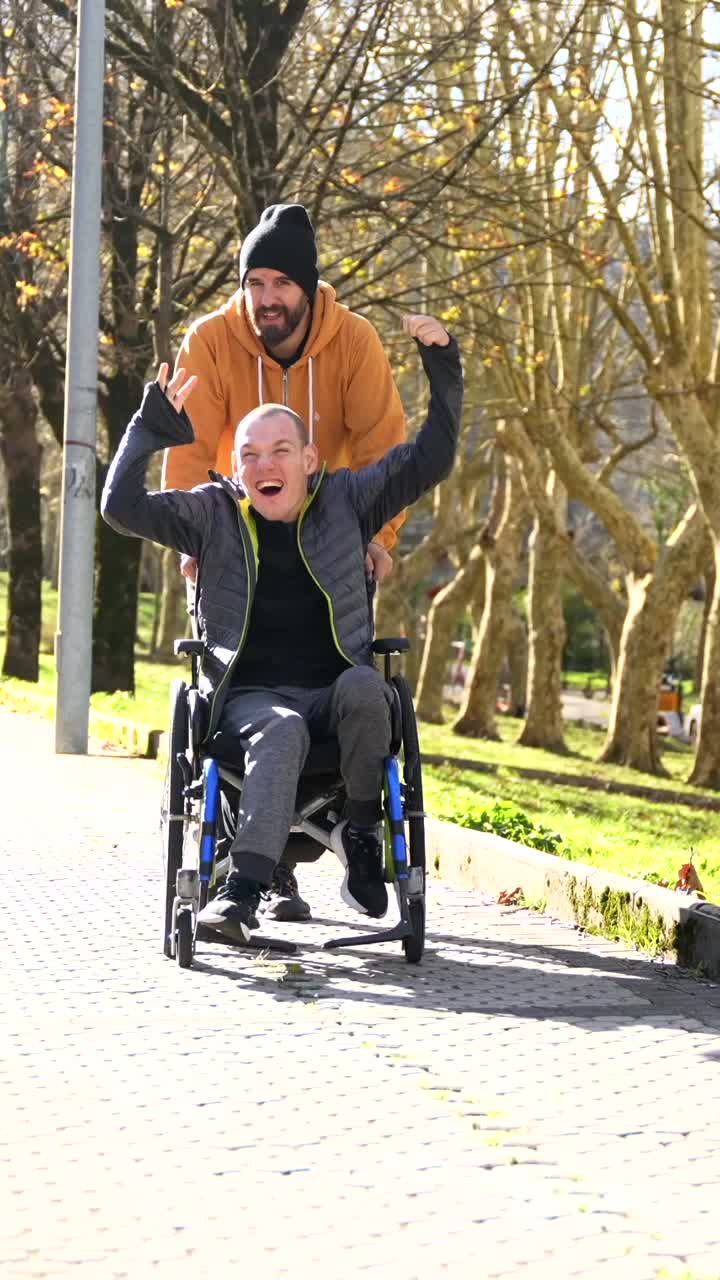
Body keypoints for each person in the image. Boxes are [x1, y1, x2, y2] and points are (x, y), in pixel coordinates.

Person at [101, 314, 463, 944]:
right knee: (282, 726)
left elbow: (431, 457)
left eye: (280, 451)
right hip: (247, 703)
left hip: (332, 695)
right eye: (249, 455)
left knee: (368, 690)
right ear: (237, 469)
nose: (264, 464)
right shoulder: (212, 514)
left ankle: (360, 834)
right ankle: (241, 893)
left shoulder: (350, 500)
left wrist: (443, 366)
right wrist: (147, 430)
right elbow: (120, 507)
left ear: (310, 459)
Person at [164, 201, 408, 921]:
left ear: (308, 288)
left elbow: (386, 448)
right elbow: (184, 449)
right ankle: (252, 862)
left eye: (281, 284)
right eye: (255, 284)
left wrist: (376, 536)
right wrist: (193, 541)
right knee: (252, 689)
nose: (266, 299)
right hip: (234, 542)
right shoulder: (211, 340)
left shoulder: (354, 341)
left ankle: (329, 838)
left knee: (342, 677)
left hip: (326, 545)